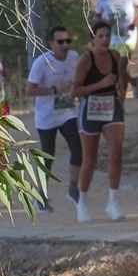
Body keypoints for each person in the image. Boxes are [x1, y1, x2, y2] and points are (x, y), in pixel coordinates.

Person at [26, 26, 83, 216]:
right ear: (51, 43)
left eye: (68, 41)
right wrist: (55, 90)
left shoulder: (74, 57)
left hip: (67, 112)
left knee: (78, 149)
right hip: (46, 116)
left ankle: (73, 188)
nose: (65, 45)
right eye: (60, 42)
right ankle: (40, 196)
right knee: (48, 156)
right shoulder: (41, 63)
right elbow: (29, 90)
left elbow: (78, 79)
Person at [74, 20, 127, 220]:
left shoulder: (115, 56)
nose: (105, 40)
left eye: (107, 36)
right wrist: (101, 84)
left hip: (111, 106)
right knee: (90, 159)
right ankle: (82, 202)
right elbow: (74, 91)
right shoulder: (86, 60)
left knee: (116, 153)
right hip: (90, 108)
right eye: (101, 36)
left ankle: (113, 201)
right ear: (93, 39)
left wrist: (121, 88)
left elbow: (120, 78)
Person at [93, 0, 138, 99]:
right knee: (115, 69)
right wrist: (106, 22)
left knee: (120, 67)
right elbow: (96, 17)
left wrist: (135, 23)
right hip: (113, 38)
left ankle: (121, 102)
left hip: (128, 37)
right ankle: (133, 82)